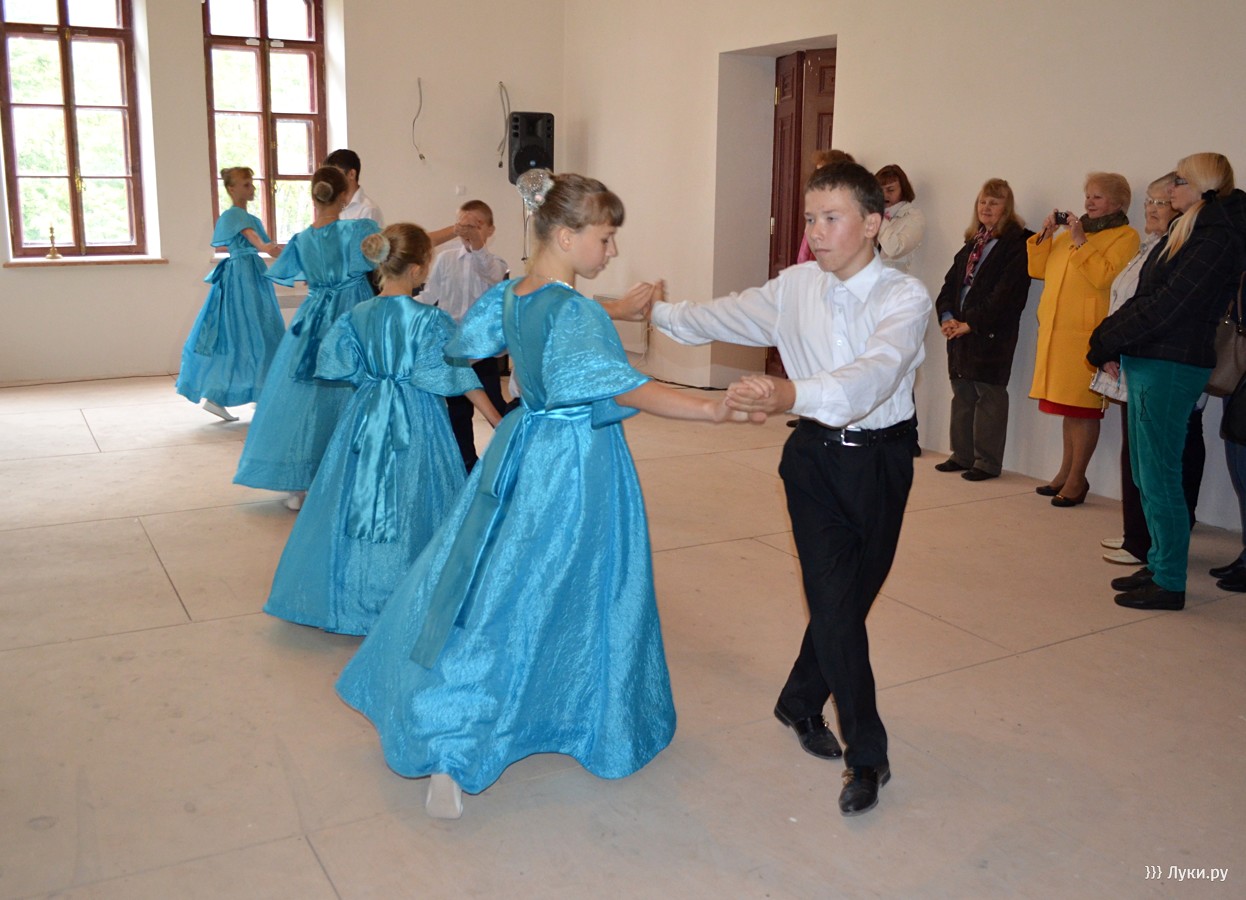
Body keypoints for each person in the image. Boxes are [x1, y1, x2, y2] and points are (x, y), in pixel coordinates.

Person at [335, 172, 752, 820]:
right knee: (556, 585)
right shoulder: (574, 310)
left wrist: (611, 311)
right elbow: (624, 385)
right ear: (566, 236)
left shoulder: (511, 294)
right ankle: (480, 730)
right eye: (605, 238)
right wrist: (711, 408)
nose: (612, 250)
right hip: (574, 462)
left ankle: (457, 718)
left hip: (522, 443)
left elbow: (485, 338)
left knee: (498, 580)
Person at [650, 161, 932, 817]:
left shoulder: (905, 297)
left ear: (873, 223)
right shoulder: (795, 286)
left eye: (832, 218)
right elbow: (716, 316)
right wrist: (652, 309)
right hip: (813, 461)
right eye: (810, 218)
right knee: (835, 607)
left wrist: (787, 392)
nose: (816, 231)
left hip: (885, 461)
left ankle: (798, 702)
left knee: (848, 603)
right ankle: (868, 755)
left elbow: (874, 377)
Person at [264, 224, 500, 635]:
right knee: (416, 498)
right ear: (417, 268)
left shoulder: (355, 315)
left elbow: (338, 364)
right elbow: (456, 374)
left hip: (366, 414)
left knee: (359, 495)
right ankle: (412, 595)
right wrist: (497, 418)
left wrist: (375, 379)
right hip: (417, 419)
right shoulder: (430, 320)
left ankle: (350, 595)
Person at [1089, 153, 1246, 611]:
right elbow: (1148, 297)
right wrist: (1111, 342)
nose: (1172, 188)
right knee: (1147, 474)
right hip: (1152, 358)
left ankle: (1170, 580)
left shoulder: (1215, 238)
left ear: (1201, 185)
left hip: (1172, 364)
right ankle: (1159, 563)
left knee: (1160, 476)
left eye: (1180, 180)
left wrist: (1105, 339)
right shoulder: (1192, 230)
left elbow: (1167, 306)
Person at [234, 167, 381, 507]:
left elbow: (286, 267)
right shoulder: (358, 230)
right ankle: (351, 475)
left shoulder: (302, 239)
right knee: (355, 389)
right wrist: (453, 229)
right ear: (344, 196)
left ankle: (300, 482)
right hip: (352, 315)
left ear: (314, 197)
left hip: (313, 319)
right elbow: (400, 249)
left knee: (308, 397)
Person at [1090, 173, 1205, 566]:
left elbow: (1151, 311)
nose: (1152, 209)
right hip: (1135, 359)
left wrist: (1114, 344)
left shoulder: (1178, 250)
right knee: (1138, 460)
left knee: (1158, 465)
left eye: (1161, 202)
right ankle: (1138, 537)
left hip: (1160, 366)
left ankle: (1147, 545)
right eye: (1149, 202)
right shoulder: (1151, 246)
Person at [1028, 172, 1140, 507]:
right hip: (1057, 334)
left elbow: (1106, 277)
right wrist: (1047, 234)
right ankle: (1066, 472)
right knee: (1069, 408)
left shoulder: (1126, 236)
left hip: (1088, 337)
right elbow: (1037, 270)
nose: (1089, 202)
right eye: (1088, 195)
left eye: (1098, 197)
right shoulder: (1070, 235)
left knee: (1085, 409)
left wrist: (1080, 241)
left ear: (1118, 203)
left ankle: (1077, 479)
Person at [933, 179, 1033, 480]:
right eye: (982, 201)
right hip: (960, 330)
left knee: (989, 394)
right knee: (962, 392)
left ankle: (986, 462)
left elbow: (1007, 295)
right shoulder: (973, 242)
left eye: (994, 202)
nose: (986, 207)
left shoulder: (1017, 244)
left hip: (992, 333)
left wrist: (972, 323)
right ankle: (962, 455)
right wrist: (947, 317)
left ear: (1007, 208)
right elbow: (950, 284)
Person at [175, 166, 284, 421]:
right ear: (231, 189)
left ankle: (256, 393)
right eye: (246, 184)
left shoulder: (248, 216)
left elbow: (263, 244)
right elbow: (254, 238)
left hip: (250, 274)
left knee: (256, 332)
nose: (252, 188)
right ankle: (223, 395)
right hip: (243, 277)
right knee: (250, 332)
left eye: (251, 183)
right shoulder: (234, 215)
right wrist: (268, 247)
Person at [420, 199, 510, 471]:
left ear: (490, 230)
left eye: (477, 225)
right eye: (464, 224)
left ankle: (508, 457)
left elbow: (491, 275)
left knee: (494, 404)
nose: (469, 230)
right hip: (454, 349)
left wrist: (477, 245)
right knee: (458, 411)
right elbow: (429, 296)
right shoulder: (446, 259)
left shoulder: (497, 263)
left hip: (483, 351)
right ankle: (466, 464)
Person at [875, 164, 925, 273]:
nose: (884, 195)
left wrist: (880, 219)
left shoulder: (913, 217)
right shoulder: (870, 214)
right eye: (879, 190)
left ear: (903, 190)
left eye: (890, 190)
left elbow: (895, 250)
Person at [324, 149, 384, 226]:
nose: (331, 180)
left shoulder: (368, 210)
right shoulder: (331, 207)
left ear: (352, 174)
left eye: (335, 175)